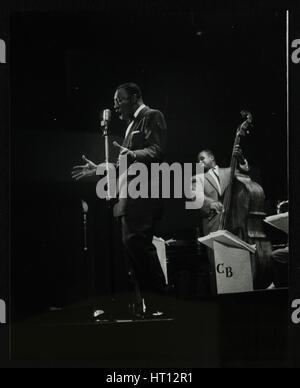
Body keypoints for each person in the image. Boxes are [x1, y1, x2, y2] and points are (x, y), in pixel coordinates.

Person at [72, 82, 168, 318]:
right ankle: (151, 305)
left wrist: (134, 153)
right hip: (129, 198)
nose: (115, 106)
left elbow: (156, 150)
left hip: (144, 196)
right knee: (133, 250)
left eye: (119, 100)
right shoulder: (130, 126)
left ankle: (163, 304)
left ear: (134, 97)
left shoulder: (151, 115)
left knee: (140, 247)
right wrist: (100, 169)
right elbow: (123, 164)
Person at [194, 148, 249, 236]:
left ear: (211, 157)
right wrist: (210, 204)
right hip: (213, 225)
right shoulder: (198, 178)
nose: (200, 163)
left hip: (234, 222)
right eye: (198, 161)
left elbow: (245, 175)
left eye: (202, 159)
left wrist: (241, 161)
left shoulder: (229, 171)